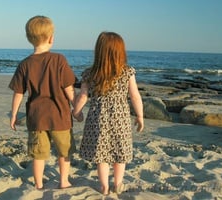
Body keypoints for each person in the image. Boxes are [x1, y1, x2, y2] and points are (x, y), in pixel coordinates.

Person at [9, 15, 77, 190]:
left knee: (38, 154)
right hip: (60, 116)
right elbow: (69, 88)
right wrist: (77, 108)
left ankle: (39, 184)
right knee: (64, 151)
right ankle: (64, 181)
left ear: (29, 38)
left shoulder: (25, 64)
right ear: (51, 38)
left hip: (37, 117)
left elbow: (18, 93)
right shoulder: (59, 60)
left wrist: (14, 114)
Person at [72, 32, 144, 195]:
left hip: (98, 118)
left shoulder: (90, 73)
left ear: (99, 51)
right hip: (121, 118)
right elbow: (135, 96)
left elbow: (83, 96)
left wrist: (76, 112)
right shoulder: (127, 72)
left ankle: (104, 186)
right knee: (120, 153)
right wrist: (139, 116)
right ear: (121, 52)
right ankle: (118, 184)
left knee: (102, 154)